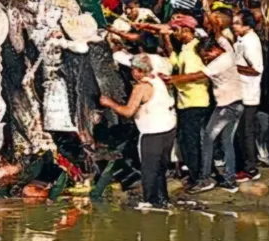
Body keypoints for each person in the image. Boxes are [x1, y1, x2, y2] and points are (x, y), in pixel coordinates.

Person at [169, 38, 243, 193]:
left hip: (226, 106)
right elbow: (220, 35)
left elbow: (195, 76)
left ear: (214, 49)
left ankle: (205, 179)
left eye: (207, 55)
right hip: (236, 103)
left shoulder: (220, 62)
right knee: (227, 142)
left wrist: (170, 80)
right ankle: (230, 179)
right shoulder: (228, 53)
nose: (206, 59)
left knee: (206, 138)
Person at [100, 54, 176, 207]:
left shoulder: (140, 88)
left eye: (136, 70)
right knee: (160, 168)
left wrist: (109, 103)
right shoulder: (158, 80)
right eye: (133, 69)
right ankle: (163, 199)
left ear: (141, 71)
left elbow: (128, 111)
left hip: (152, 132)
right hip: (168, 129)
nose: (133, 72)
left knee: (149, 169)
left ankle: (149, 202)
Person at [161, 14, 209, 186]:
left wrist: (173, 80)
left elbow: (197, 75)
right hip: (184, 101)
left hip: (196, 101)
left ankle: (200, 177)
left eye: (176, 30)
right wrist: (166, 38)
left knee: (193, 141)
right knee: (186, 140)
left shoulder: (196, 48)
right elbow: (175, 62)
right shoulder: (185, 48)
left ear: (187, 30)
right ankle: (194, 174)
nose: (174, 33)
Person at [232, 10, 264, 182]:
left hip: (249, 94)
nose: (234, 25)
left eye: (237, 23)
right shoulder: (241, 40)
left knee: (246, 132)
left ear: (247, 25)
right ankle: (243, 165)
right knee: (240, 132)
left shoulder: (251, 42)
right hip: (240, 92)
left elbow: (257, 69)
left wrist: (233, 68)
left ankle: (251, 168)